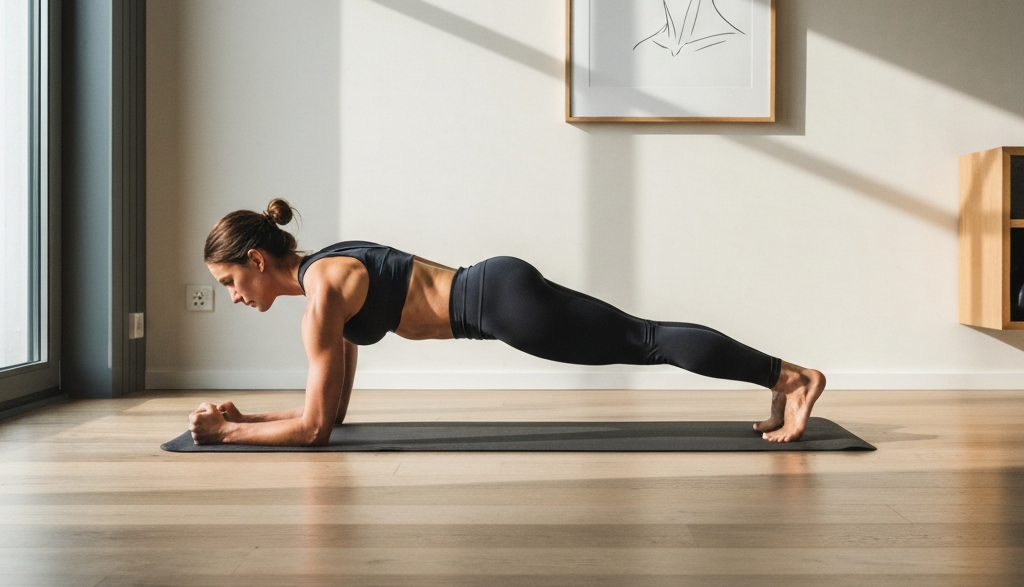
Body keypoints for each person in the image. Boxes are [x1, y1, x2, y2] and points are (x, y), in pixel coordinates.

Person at [188, 199, 825, 447]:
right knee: (644, 336)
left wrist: (225, 436)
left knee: (646, 340)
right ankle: (781, 380)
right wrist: (247, 419)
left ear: (257, 259)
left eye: (230, 284)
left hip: (500, 305)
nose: (235, 297)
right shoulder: (325, 276)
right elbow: (331, 413)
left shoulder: (324, 295)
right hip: (498, 289)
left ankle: (791, 378)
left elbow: (315, 431)